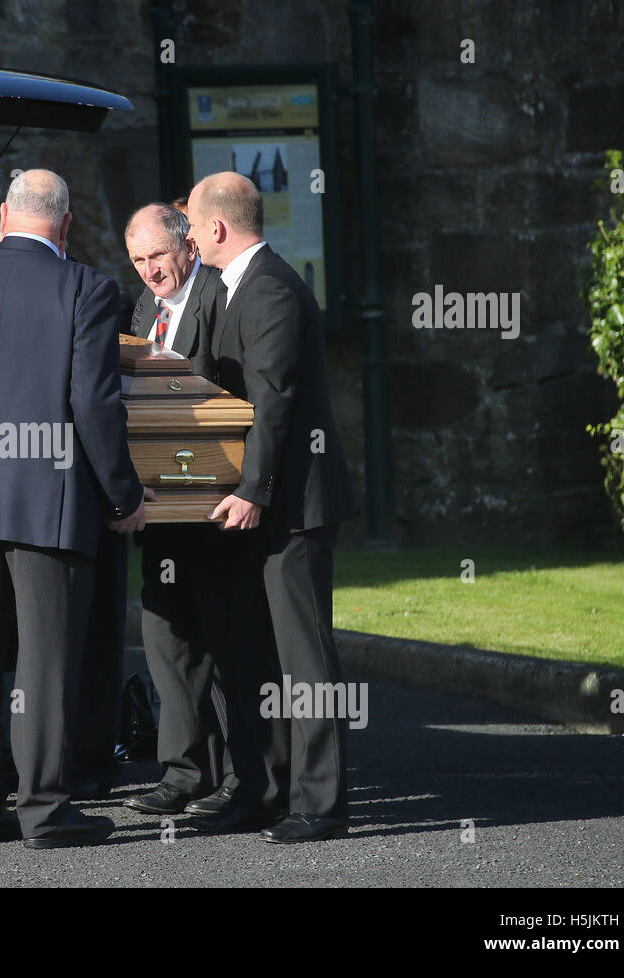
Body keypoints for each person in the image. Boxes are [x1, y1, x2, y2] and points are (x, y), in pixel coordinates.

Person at [0, 169, 151, 848]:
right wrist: (123, 493)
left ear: (3, 216)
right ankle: (46, 811)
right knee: (47, 662)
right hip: (49, 500)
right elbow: (94, 404)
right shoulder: (86, 287)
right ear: (67, 221)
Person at [187, 171, 356, 843]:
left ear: (219, 228)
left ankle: (322, 804)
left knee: (306, 660)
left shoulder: (270, 291)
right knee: (260, 655)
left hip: (291, 508)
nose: (191, 237)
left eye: (194, 226)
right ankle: (267, 789)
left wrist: (253, 490)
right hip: (263, 504)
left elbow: (274, 399)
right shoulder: (241, 289)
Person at [117, 203, 286, 827]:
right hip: (162, 511)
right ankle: (186, 771)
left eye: (158, 256)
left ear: (187, 244)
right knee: (167, 641)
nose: (150, 270)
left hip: (215, 508)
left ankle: (248, 778)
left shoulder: (220, 295)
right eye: (138, 261)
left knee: (229, 646)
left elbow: (245, 401)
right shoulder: (141, 308)